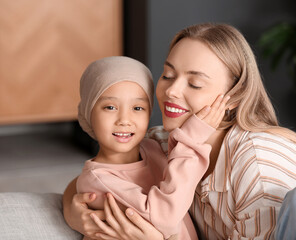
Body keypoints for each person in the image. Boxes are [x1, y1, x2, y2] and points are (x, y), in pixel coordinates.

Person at [63, 23, 296, 239]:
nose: (172, 90)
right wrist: (75, 213)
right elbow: (100, 175)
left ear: (234, 96)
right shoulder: (163, 143)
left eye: (194, 83)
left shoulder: (257, 164)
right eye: (167, 75)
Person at [75, 56, 229, 240]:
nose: (124, 120)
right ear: (88, 112)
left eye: (138, 108)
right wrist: (192, 139)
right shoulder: (97, 182)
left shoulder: (152, 146)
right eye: (110, 107)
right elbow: (165, 219)